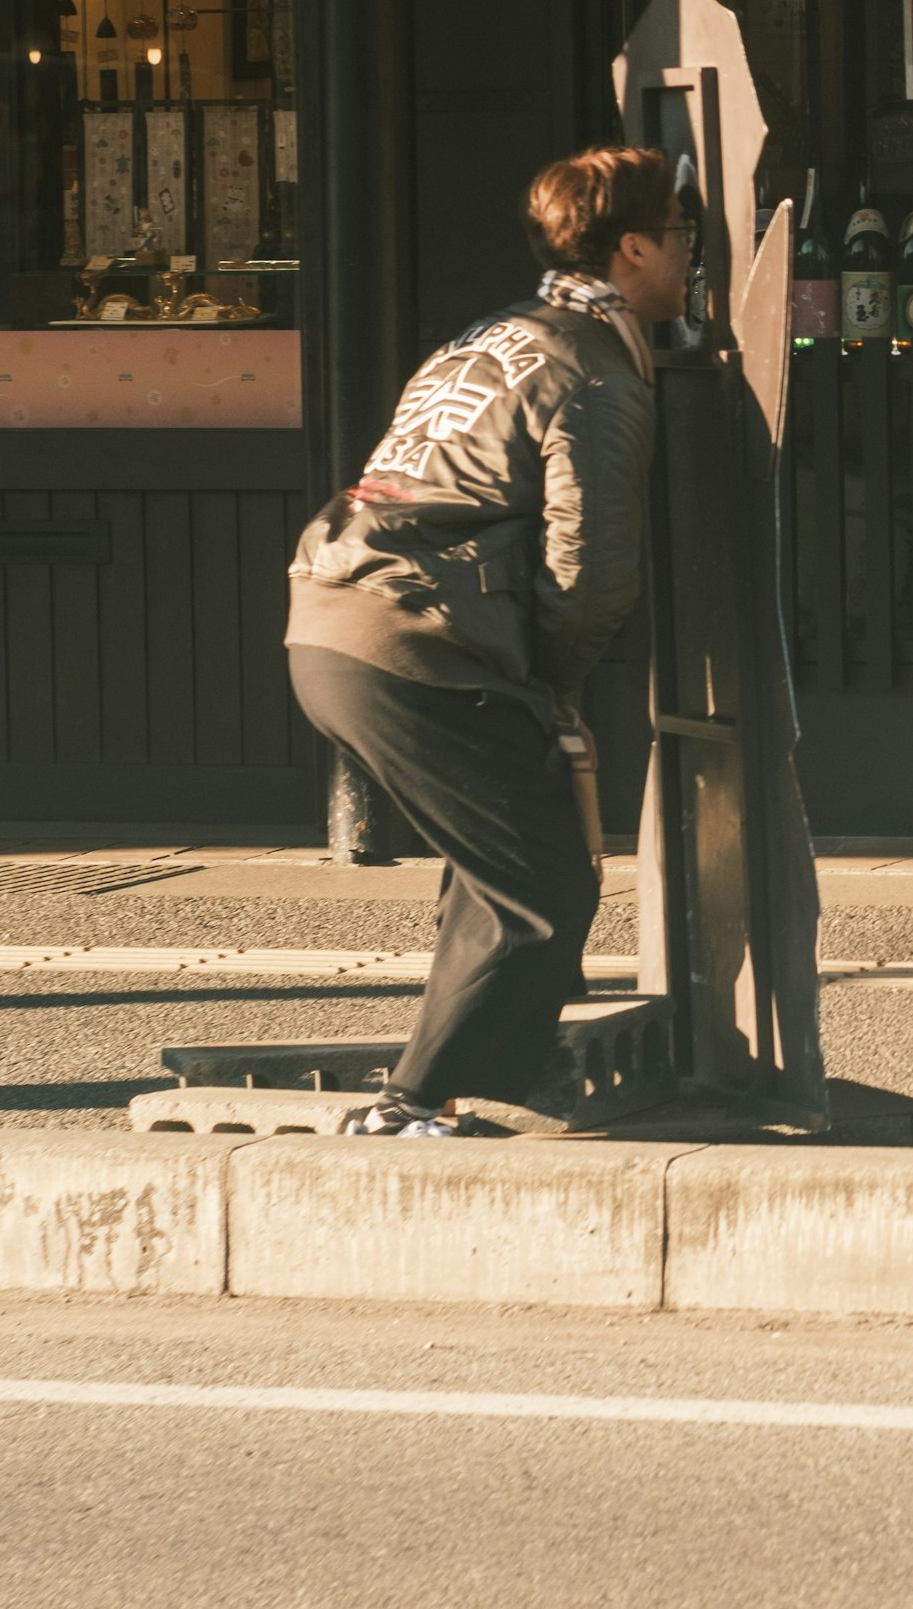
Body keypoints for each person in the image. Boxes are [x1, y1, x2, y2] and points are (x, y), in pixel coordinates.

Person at [281, 147, 684, 1136]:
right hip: (419, 637)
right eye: (684, 240)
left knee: (499, 863)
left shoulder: (491, 336)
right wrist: (555, 687)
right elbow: (590, 566)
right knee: (541, 886)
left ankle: (499, 1074)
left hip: (334, 615)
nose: (692, 260)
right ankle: (412, 1104)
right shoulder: (593, 371)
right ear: (633, 248)